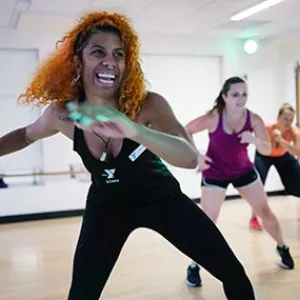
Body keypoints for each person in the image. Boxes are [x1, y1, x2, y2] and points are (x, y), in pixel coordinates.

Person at [0, 11, 256, 300]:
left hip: (164, 201)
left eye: (118, 54)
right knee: (81, 294)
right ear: (78, 61)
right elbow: (25, 134)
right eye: (98, 51)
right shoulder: (63, 114)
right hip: (107, 207)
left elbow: (187, 157)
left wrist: (134, 130)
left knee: (233, 274)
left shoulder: (148, 105)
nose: (109, 60)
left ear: (126, 63)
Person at [185, 76, 295, 288]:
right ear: (225, 96)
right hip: (215, 173)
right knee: (208, 222)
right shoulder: (214, 117)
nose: (241, 98)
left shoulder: (253, 119)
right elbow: (186, 129)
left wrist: (253, 139)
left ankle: (282, 247)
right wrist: (195, 155)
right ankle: (194, 265)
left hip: (243, 171)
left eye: (244, 94)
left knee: (265, 212)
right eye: (235, 94)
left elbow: (266, 149)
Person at [249, 103, 300, 230]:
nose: (287, 123)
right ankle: (254, 218)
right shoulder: (267, 128)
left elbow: (297, 151)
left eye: (291, 120)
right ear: (278, 118)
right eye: (285, 119)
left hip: (283, 155)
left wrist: (281, 140)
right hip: (264, 156)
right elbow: (257, 142)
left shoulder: (294, 133)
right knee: (258, 185)